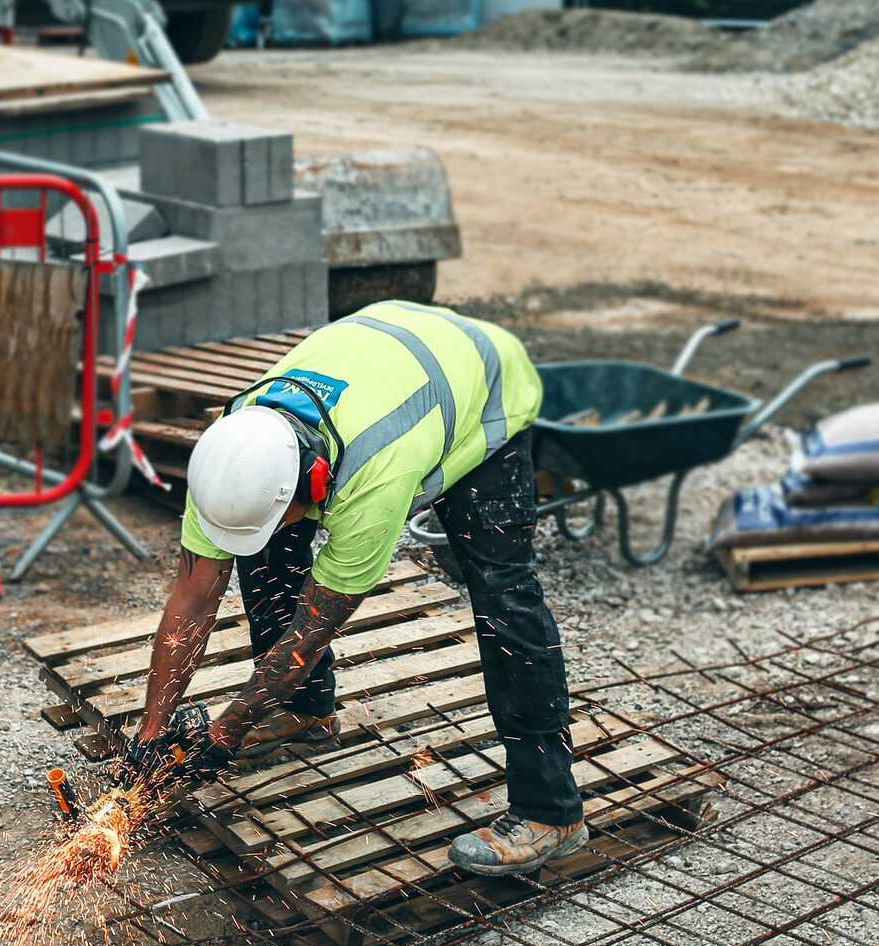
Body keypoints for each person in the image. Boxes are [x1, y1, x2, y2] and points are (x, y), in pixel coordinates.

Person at [125, 300, 582, 877]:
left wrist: (223, 733)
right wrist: (153, 730)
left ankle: (551, 810)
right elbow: (192, 599)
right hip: (391, 351)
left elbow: (312, 629)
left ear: (317, 483)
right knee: (264, 548)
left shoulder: (374, 478)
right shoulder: (232, 454)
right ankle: (306, 711)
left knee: (502, 594)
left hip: (485, 386)